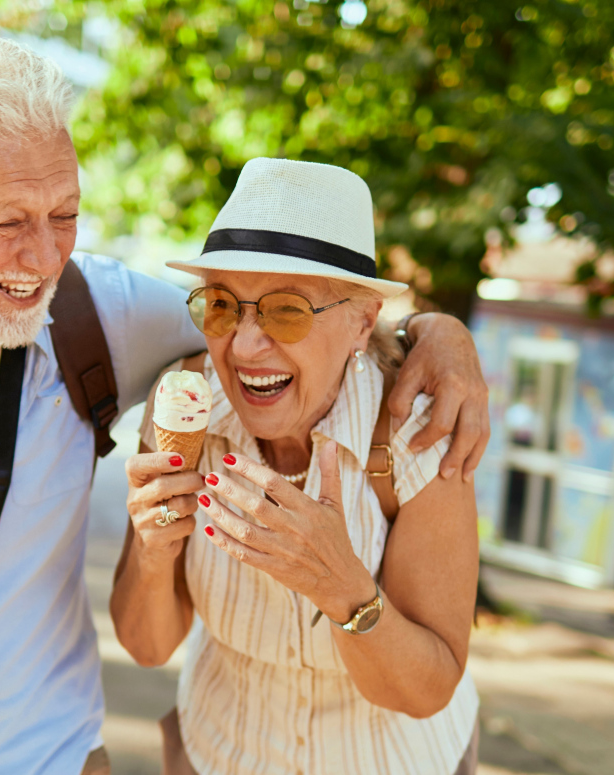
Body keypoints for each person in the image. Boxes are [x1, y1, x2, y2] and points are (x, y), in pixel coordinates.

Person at [0, 32, 490, 775]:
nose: (46, 255)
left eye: (64, 214)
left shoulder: (99, 313)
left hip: (48, 755)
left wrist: (445, 336)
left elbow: (298, 321)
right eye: (8, 221)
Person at [111, 158, 481, 775]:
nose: (246, 345)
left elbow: (425, 692)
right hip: (218, 752)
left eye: (286, 310)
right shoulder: (186, 409)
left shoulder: (421, 432)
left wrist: (342, 587)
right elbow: (146, 648)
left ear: (362, 322)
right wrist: (153, 555)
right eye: (224, 306)